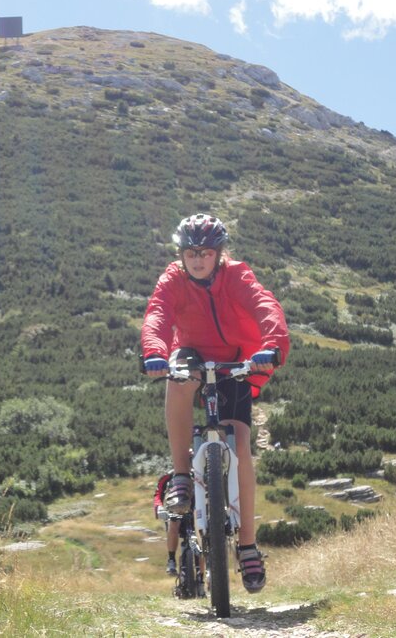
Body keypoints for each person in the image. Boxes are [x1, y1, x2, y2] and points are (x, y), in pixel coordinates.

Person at [141, 213, 290, 593]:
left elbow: (264, 305)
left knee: (240, 445)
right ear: (181, 254)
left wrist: (272, 345)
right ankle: (181, 476)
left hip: (236, 362)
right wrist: (155, 352)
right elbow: (157, 315)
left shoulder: (236, 275)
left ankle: (248, 545)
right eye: (191, 253)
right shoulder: (173, 279)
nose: (197, 259)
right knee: (178, 379)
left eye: (205, 252)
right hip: (192, 356)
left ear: (219, 253)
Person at [153, 470, 181, 576]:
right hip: (174, 510)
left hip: (194, 510)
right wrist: (159, 507)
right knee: (173, 523)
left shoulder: (199, 474)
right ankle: (171, 560)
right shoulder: (168, 476)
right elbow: (158, 494)